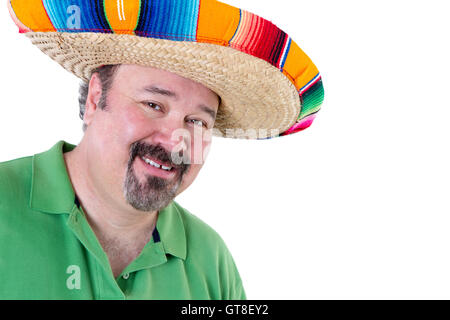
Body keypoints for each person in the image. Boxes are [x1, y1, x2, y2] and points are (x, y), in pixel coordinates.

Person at [1, 0, 324, 299]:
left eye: (197, 121)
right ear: (95, 100)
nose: (175, 140)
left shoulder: (210, 261)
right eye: (153, 104)